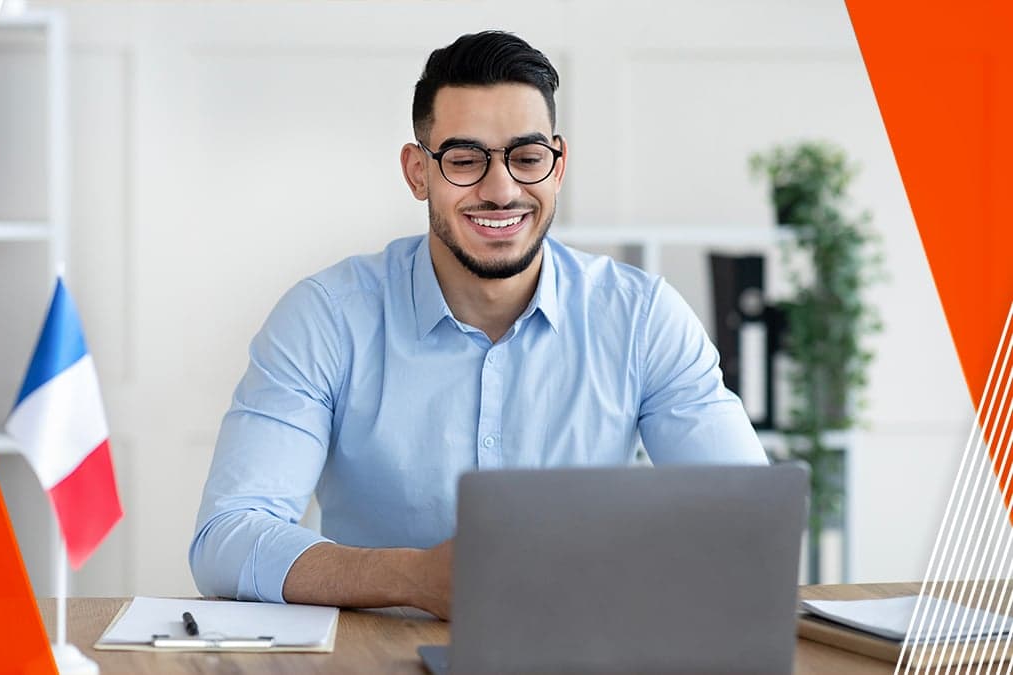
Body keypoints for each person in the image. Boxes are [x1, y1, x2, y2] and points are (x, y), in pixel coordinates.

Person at [189, 30, 766, 620]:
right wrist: (412, 578)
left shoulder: (643, 318)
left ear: (558, 166)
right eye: (465, 160)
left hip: (581, 648)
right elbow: (227, 539)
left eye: (527, 157)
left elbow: (746, 520)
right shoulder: (326, 317)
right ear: (419, 173)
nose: (501, 190)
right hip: (374, 656)